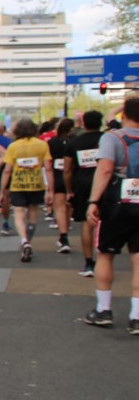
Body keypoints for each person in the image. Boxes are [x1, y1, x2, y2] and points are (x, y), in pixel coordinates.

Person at [81, 97, 139, 332]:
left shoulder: (111, 138)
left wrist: (93, 201)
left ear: (124, 114)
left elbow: (105, 169)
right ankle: (137, 316)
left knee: (105, 254)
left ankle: (103, 309)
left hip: (116, 203)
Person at [0, 118, 52, 263]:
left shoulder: (13, 146)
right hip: (36, 184)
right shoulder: (42, 145)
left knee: (19, 213)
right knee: (33, 214)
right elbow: (48, 168)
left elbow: (7, 171)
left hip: (18, 185)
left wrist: (2, 190)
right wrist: (50, 190)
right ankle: (28, 240)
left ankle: (24, 240)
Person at [66, 110, 106, 277]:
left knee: (86, 223)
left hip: (82, 184)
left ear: (83, 123)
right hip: (105, 183)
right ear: (100, 123)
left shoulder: (74, 142)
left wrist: (69, 190)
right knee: (106, 222)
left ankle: (89, 263)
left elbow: (67, 170)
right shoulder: (107, 140)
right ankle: (104, 260)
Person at [49, 117, 75, 253]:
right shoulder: (74, 142)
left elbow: (48, 162)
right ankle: (64, 235)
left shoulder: (52, 142)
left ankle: (63, 236)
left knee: (59, 208)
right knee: (68, 207)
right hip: (72, 176)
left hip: (57, 176)